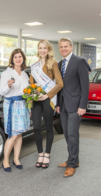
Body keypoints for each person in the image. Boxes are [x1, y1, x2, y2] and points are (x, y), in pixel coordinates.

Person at [56, 37, 89, 177]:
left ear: (71, 47)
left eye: (66, 46)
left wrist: (83, 105)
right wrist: (57, 103)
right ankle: (73, 159)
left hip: (76, 106)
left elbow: (85, 85)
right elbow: (59, 86)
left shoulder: (79, 61)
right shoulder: (59, 64)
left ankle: (71, 165)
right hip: (63, 105)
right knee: (66, 134)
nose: (63, 49)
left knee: (72, 134)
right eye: (61, 47)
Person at [29, 39, 63, 169]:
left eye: (45, 48)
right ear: (38, 50)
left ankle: (47, 154)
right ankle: (40, 154)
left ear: (48, 50)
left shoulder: (53, 64)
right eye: (40, 48)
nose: (42, 50)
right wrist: (32, 95)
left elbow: (60, 84)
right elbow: (31, 84)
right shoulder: (35, 66)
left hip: (48, 99)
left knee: (49, 127)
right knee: (36, 127)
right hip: (37, 100)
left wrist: (47, 95)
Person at [0, 48, 31, 173]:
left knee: (19, 134)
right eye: (15, 57)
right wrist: (8, 85)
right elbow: (1, 92)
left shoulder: (24, 74)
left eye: (20, 56)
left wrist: (29, 106)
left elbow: (27, 92)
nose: (18, 59)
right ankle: (5, 160)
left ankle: (16, 159)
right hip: (11, 105)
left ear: (23, 59)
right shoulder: (6, 73)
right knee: (12, 134)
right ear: (12, 59)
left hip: (23, 105)